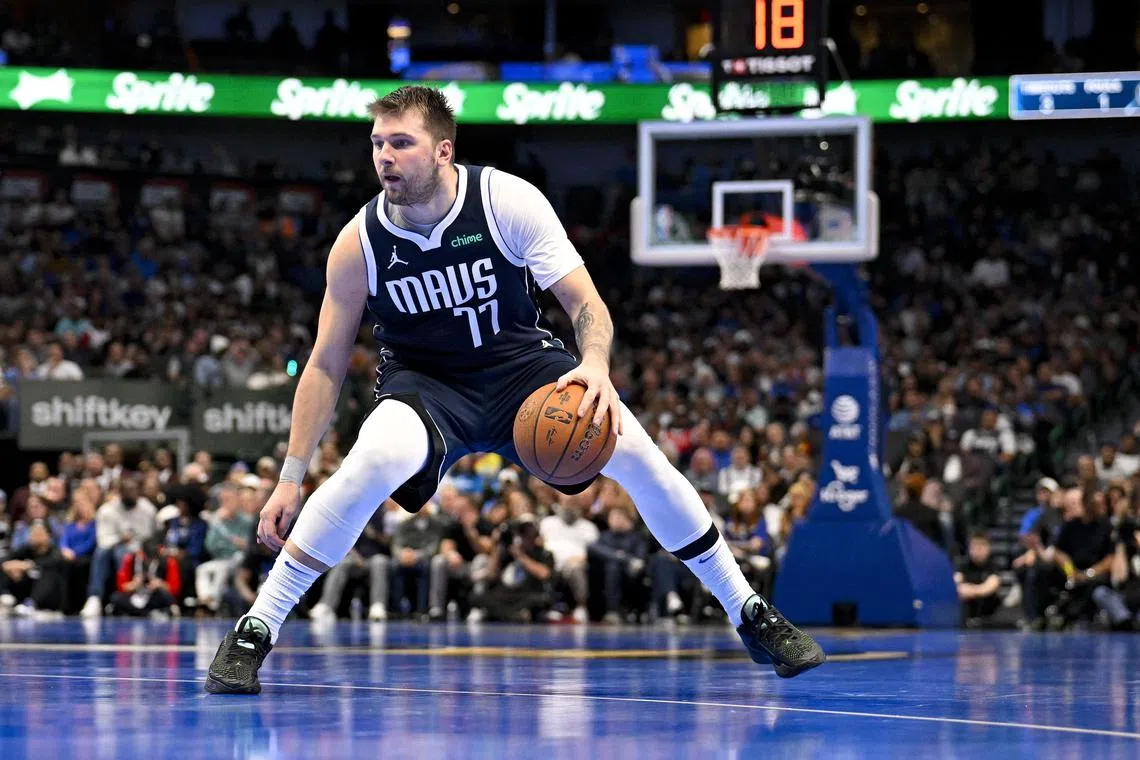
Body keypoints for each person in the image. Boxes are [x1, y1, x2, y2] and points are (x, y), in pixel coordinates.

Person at [205, 86, 823, 694]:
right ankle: (257, 626)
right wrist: (290, 476)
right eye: (376, 144)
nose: (384, 157)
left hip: (520, 368)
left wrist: (598, 367)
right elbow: (322, 365)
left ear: (444, 151)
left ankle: (748, 610)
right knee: (373, 459)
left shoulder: (506, 200)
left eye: (400, 143)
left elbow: (586, 304)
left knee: (637, 452)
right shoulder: (358, 242)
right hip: (428, 385)